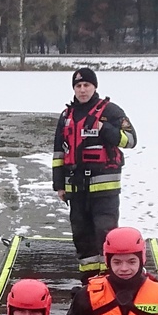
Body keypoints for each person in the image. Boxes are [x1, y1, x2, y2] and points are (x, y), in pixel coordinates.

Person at [52, 67, 137, 274]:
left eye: (86, 85)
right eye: (78, 86)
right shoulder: (66, 116)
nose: (82, 90)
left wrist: (103, 128)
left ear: (95, 87)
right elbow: (58, 154)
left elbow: (131, 140)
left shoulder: (111, 111)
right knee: (81, 235)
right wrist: (59, 186)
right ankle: (89, 281)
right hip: (77, 190)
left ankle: (109, 277)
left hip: (105, 189)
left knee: (105, 234)